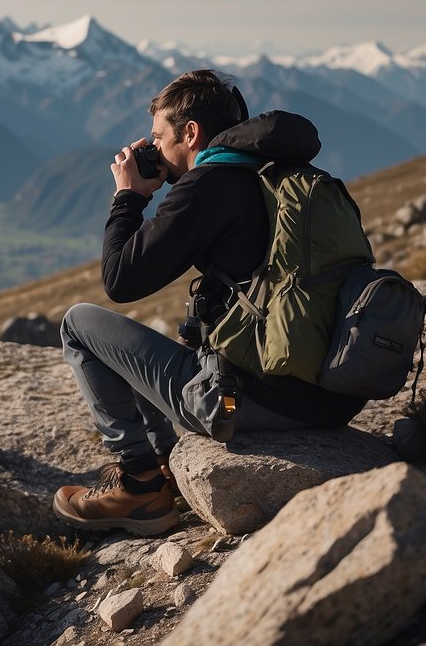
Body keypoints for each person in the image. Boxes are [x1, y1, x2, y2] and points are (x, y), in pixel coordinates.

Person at [52, 69, 367, 535]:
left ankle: (140, 486)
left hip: (250, 401)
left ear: (191, 133)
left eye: (158, 138)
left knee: (78, 325)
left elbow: (119, 280)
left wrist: (128, 197)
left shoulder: (207, 185)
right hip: (332, 393)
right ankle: (164, 467)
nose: (152, 149)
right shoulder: (277, 173)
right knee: (167, 346)